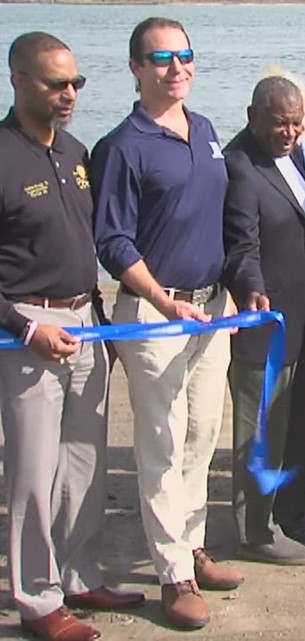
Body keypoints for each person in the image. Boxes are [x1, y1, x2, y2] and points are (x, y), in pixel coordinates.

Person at [91, 17, 244, 630]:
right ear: (135, 67)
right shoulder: (121, 146)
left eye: (185, 55)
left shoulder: (205, 130)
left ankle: (192, 543)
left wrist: (239, 288)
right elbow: (113, 240)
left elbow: (223, 219)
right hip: (155, 316)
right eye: (161, 58)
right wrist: (160, 298)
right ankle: (172, 575)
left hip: (213, 308)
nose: (176, 67)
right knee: (161, 442)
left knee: (202, 435)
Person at [0, 31, 144, 641]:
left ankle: (80, 574)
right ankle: (36, 600)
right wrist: (25, 326)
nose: (70, 94)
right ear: (18, 81)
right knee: (33, 473)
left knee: (85, 464)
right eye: (56, 83)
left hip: (88, 323)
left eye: (77, 83)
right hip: (27, 333)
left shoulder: (77, 151)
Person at [222, 75, 305, 565]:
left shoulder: (294, 155)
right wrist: (250, 287)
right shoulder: (240, 167)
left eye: (297, 123)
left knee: (300, 418)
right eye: (279, 124)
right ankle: (257, 532)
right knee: (261, 429)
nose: (290, 132)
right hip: (266, 320)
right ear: (253, 116)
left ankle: (291, 515)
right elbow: (240, 244)